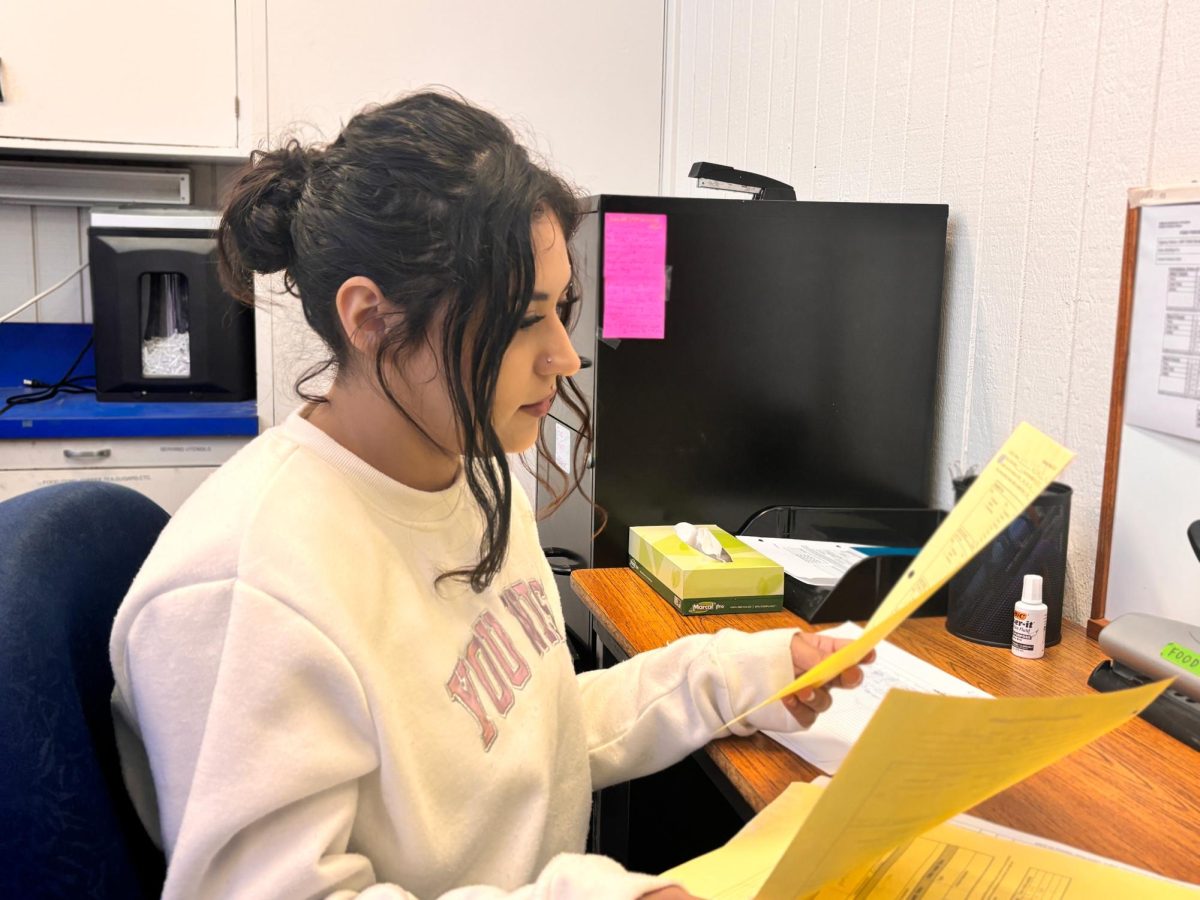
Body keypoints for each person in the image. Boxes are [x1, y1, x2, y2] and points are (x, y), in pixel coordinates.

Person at [109, 90, 873, 899]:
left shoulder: (470, 472)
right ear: (370, 318)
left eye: (562, 310)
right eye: (522, 318)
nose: (564, 358)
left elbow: (527, 730)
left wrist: (750, 673)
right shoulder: (249, 584)